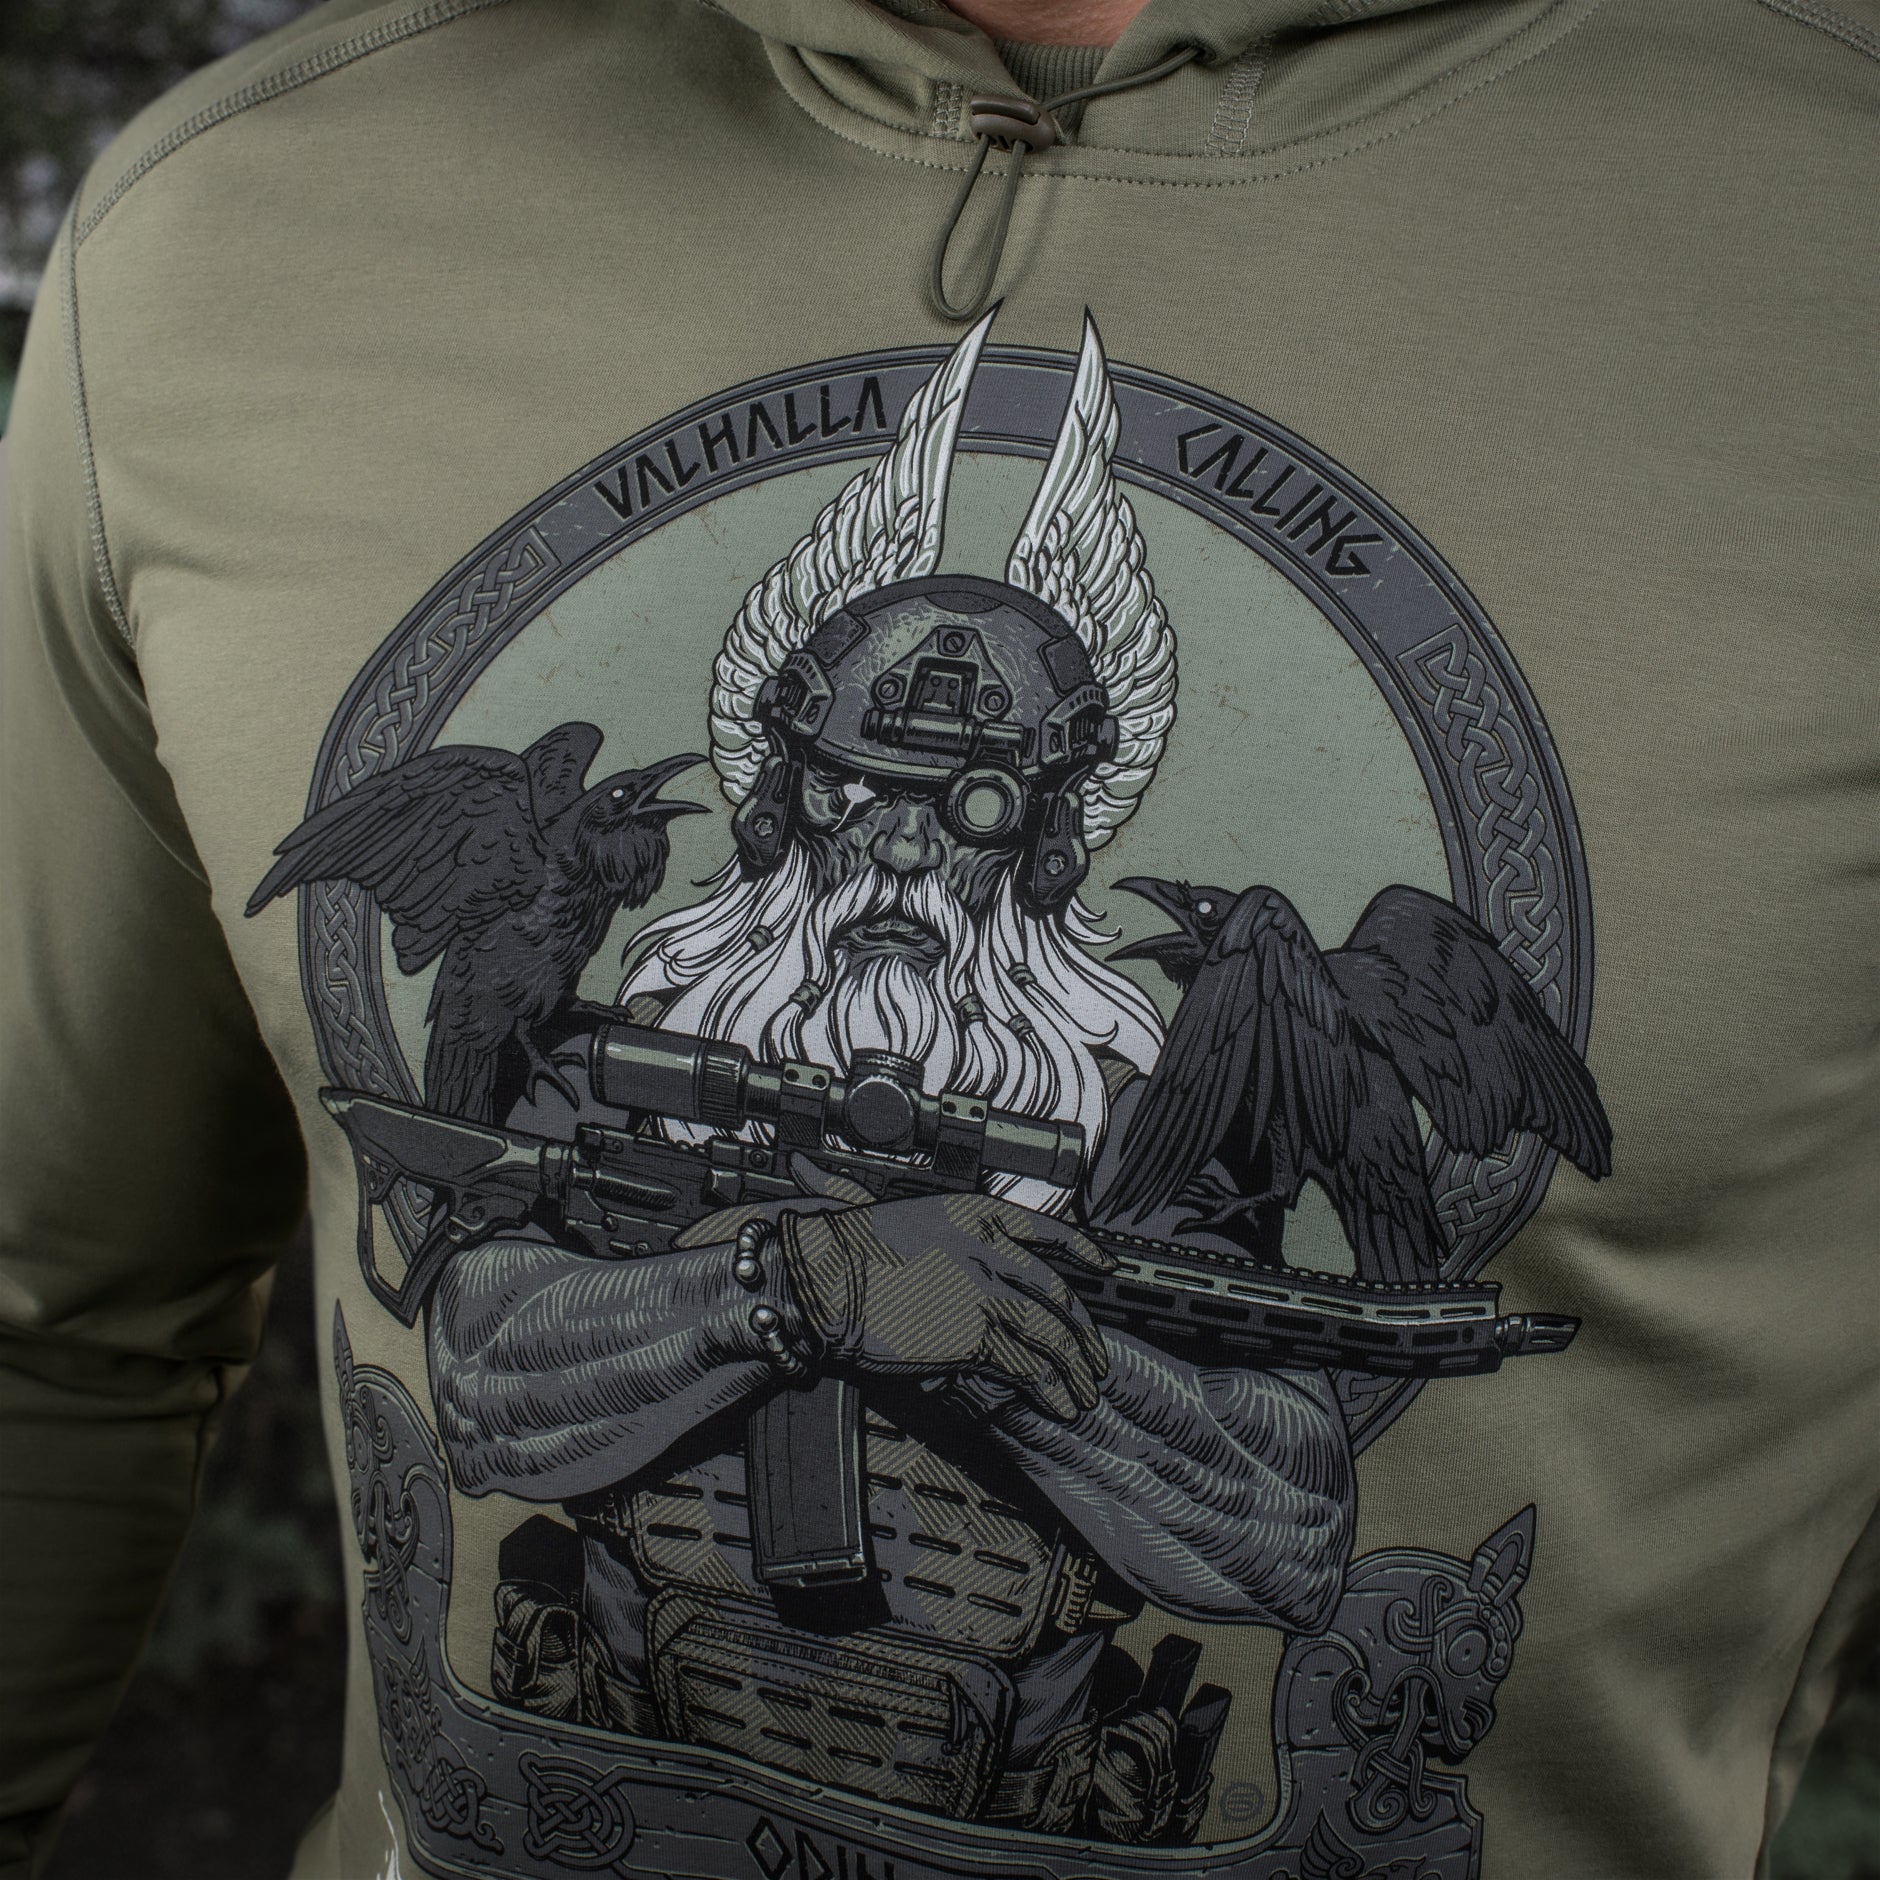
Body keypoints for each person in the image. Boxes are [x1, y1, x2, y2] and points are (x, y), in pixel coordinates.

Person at [0, 1, 1872, 1877]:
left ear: (1047, 837)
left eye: (968, 810)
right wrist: (799, 1286)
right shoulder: (239, 226)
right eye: (853, 793)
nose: (900, 848)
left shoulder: (1143, 1135)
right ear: (781, 798)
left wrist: (987, 1325)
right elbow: (414, 1363)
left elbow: (1289, 1522)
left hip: (1062, 1767)